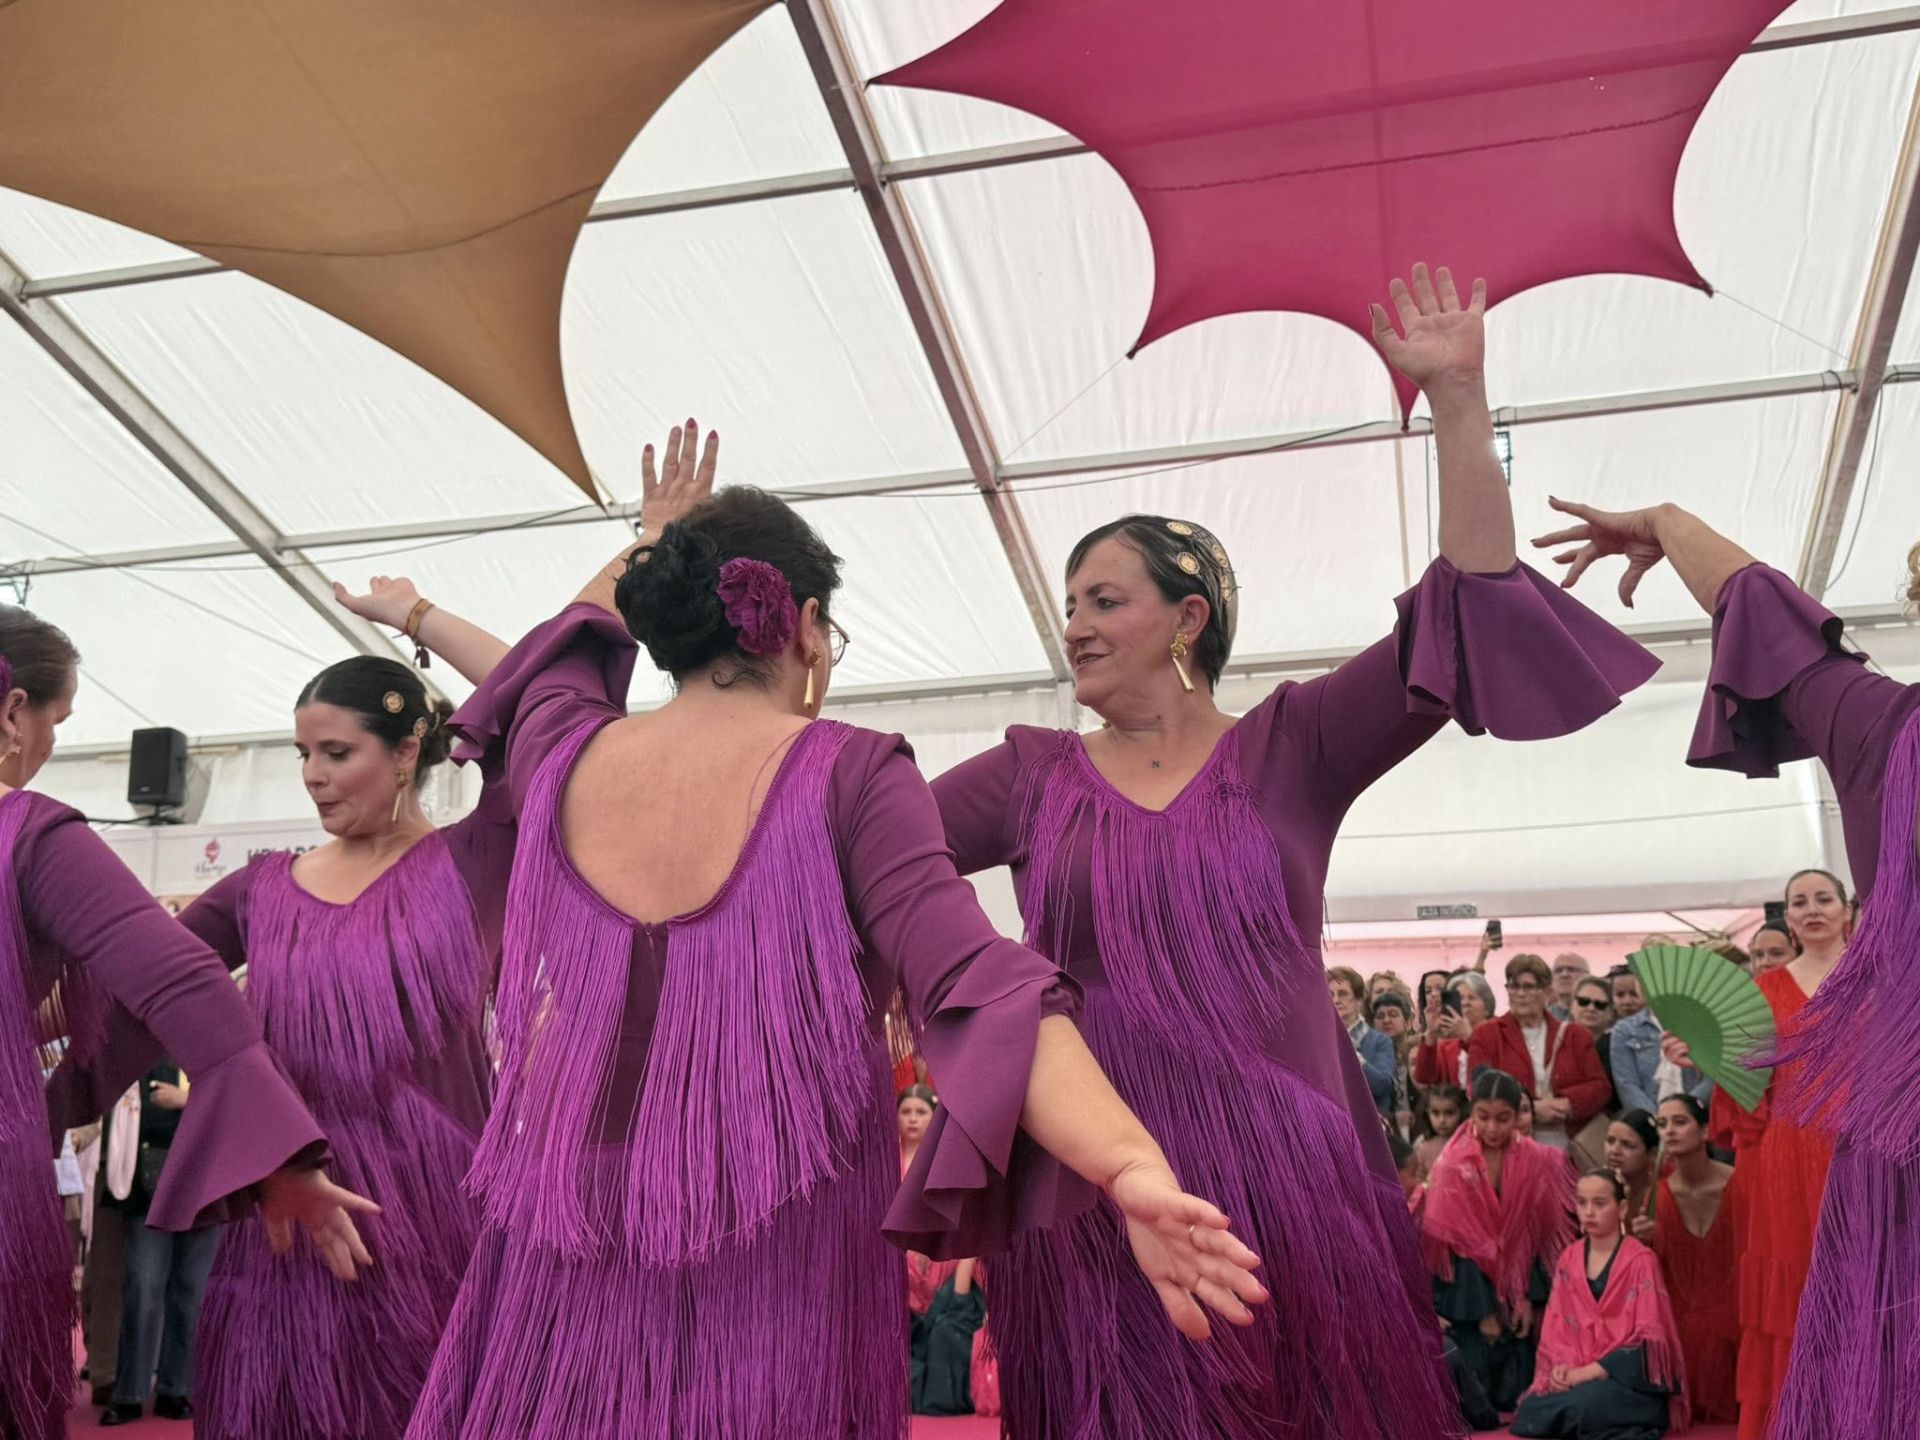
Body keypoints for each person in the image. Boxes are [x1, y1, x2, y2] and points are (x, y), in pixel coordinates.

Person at [405, 437, 1267, 1440]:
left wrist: (650, 538)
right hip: (775, 1231)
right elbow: (981, 987)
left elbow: (562, 648)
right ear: (805, 627)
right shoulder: (847, 773)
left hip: (565, 1221)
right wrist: (1129, 1165)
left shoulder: (559, 750)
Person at [931, 265, 1655, 1438]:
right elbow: (864, 847)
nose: (1075, 624)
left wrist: (1461, 405)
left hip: (1290, 1176)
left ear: (1189, 618)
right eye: (1069, 603)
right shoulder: (1026, 774)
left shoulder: (1294, 745)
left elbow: (1464, 611)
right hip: (1095, 1184)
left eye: (1106, 599)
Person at [1534, 496, 1894, 1440]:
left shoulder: (1884, 731)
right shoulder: (1884, 731)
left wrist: (1666, 523)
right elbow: (1766, 612)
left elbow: (1763, 612)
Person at [1, 608, 375, 1440]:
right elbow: (183, 982)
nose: (50, 747)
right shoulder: (29, 835)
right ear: (10, 711)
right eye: (56, 724)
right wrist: (278, 1154)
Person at [174, 582, 516, 1440]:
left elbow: (537, 703)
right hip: (286, 1222)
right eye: (302, 754)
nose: (313, 777)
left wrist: (418, 618)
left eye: (335, 752)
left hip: (434, 1222)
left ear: (406, 753)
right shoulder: (257, 890)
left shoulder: (474, 861)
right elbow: (151, 985)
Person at [1422, 1070, 1576, 1412]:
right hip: (1465, 1287)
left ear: (1518, 1115)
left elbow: (1538, 1235)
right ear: (1471, 1112)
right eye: (1483, 1117)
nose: (1492, 1129)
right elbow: (1451, 1239)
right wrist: (1488, 1310)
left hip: (1519, 1273)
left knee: (1514, 1395)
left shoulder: (1538, 1159)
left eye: (1503, 1119)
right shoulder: (1452, 1164)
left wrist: (1519, 1295)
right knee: (1478, 1400)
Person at [1511, 1171, 1688, 1439]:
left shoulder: (1641, 1260)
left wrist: (1586, 1373)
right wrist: (1561, 1370)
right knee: (1529, 1410)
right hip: (1578, 1378)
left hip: (1627, 1385)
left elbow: (1648, 1342)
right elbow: (1557, 1329)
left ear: (1623, 1207)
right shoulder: (1568, 1258)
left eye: (1600, 1203)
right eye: (1582, 1203)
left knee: (1581, 1405)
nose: (1589, 1212)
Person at [96, 1063, 220, 1428]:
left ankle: (175, 1389)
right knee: (144, 1287)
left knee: (192, 1292)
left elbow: (238, 1101)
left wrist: (187, 1100)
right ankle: (130, 1392)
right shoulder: (146, 1045)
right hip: (148, 1184)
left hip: (208, 1183)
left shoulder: (218, 1048)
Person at [1468, 954, 1610, 1163]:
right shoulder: (1486, 1035)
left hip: (1570, 1144)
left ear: (1546, 991)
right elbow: (1477, 1087)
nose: (1520, 994)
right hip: (1509, 1143)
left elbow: (1600, 1088)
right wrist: (1529, 1109)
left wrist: (1566, 1103)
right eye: (1514, 987)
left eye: (1529, 987)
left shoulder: (1576, 1035)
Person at [1652, 1094, 1738, 1425]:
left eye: (1679, 1121)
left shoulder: (1738, 1183)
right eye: (1662, 1124)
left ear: (1705, 1132)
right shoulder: (1655, 1194)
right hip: (1675, 1313)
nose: (1669, 1131)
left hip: (1731, 1308)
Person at [897, 1085, 956, 1315]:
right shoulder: (884, 1166)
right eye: (906, 1111)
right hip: (897, 1261)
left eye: (921, 1112)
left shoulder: (945, 1163)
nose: (912, 1119)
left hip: (939, 1261)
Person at [1329, 966, 1396, 1122]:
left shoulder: (1380, 1040)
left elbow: (1383, 1085)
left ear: (1358, 1000)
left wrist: (1352, 1055)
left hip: (1371, 1125)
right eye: (1330, 994)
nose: (1336, 1000)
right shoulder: (1321, 1041)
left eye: (1343, 994)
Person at [1415, 971, 1496, 1092]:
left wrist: (1470, 1038)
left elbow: (1492, 1074)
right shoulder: (1448, 1046)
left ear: (1487, 1006)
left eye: (1472, 997)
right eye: (1460, 998)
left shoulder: (1498, 1036)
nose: (1465, 1003)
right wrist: (1431, 1033)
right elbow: (1425, 1077)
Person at [1602, 1111, 1658, 1243]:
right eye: (1610, 1141)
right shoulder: (1601, 1186)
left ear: (1652, 1154)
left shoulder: (1663, 1197)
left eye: (1627, 1145)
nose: (1614, 1151)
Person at [1369, 990, 1418, 1138]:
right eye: (1380, 1016)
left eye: (1393, 1014)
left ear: (1408, 1023)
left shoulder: (1418, 1053)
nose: (1386, 1020)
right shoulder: (1368, 1060)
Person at [1569, 976, 1618, 1110]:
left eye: (1600, 1005)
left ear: (1611, 1013)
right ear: (1572, 1006)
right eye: (1583, 1001)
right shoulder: (1555, 1041)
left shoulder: (1617, 1047)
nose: (1591, 1008)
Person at [1415, 1084, 1469, 1176]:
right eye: (1436, 1113)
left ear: (1461, 1112)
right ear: (1427, 1113)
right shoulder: (1422, 1147)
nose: (1442, 1120)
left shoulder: (1469, 1144)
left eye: (1449, 1113)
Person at [1548, 954, 1590, 1022]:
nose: (1564, 974)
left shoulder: (1598, 1013)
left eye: (1571, 970)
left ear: (1587, 977)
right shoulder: (1541, 1018)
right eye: (1558, 970)